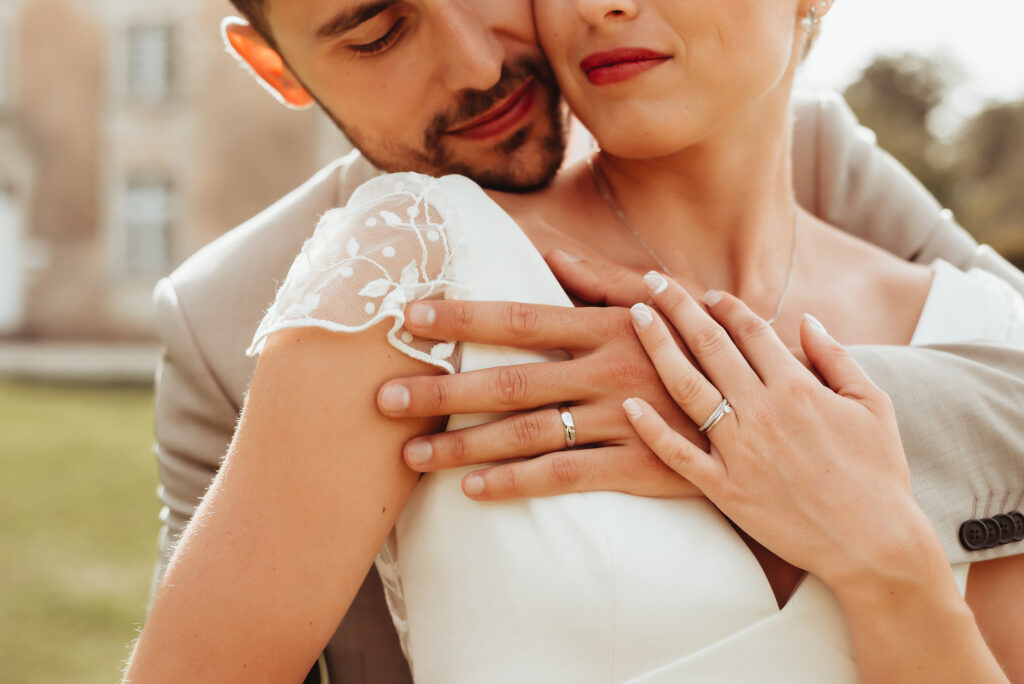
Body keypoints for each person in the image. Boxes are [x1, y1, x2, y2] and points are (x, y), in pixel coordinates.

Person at [139, 0, 1024, 681]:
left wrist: (761, 416)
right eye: (375, 32)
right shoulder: (397, 268)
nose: (480, 61)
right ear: (280, 66)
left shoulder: (968, 316)